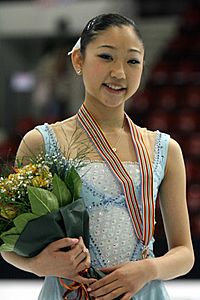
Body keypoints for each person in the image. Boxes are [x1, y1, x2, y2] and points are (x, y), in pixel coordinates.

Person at [1, 13, 194, 300]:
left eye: (132, 61)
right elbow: (7, 243)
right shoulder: (41, 142)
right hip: (70, 292)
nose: (119, 73)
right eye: (106, 57)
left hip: (142, 293)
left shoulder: (164, 150)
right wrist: (39, 264)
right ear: (78, 60)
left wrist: (148, 269)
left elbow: (185, 254)